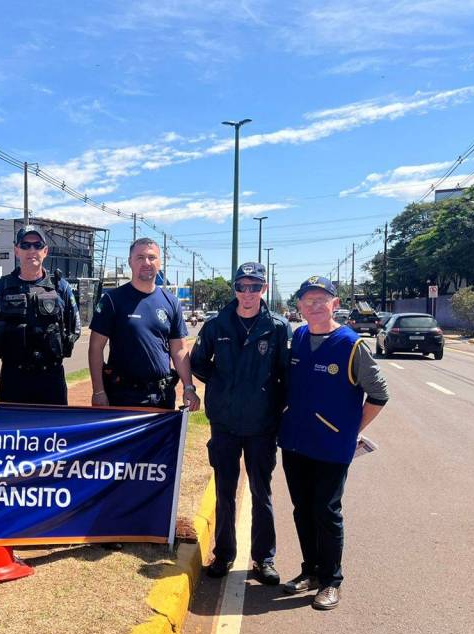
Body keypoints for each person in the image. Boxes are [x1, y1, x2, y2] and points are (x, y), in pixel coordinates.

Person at [279, 276, 389, 610]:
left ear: (335, 304)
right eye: (307, 300)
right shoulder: (299, 337)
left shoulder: (351, 345)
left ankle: (331, 581)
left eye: (321, 300)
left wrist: (351, 430)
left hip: (331, 447)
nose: (314, 306)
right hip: (295, 442)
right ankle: (310, 571)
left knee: (326, 511)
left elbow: (379, 394)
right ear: (299, 306)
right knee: (302, 509)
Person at [189, 262, 290, 585]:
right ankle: (224, 553)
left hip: (262, 425)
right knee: (225, 491)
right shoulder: (216, 325)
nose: (247, 293)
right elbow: (198, 362)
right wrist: (222, 387)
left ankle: (264, 558)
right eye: (242, 287)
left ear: (264, 289)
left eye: (254, 287)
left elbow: (287, 374)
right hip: (225, 423)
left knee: (262, 493)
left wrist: (273, 402)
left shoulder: (277, 327)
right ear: (235, 289)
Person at [89, 237, 200, 412]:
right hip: (123, 396)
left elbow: (179, 349)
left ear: (160, 263)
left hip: (161, 397)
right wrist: (98, 391)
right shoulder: (112, 300)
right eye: (140, 257)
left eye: (152, 257)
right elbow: (95, 348)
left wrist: (188, 387)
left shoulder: (171, 302)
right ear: (130, 262)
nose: (146, 262)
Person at [0, 224, 80, 405]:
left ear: (45, 251)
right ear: (16, 250)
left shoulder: (60, 286)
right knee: (13, 424)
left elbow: (74, 327)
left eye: (37, 245)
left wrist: (55, 346)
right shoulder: (2, 286)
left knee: (53, 424)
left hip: (51, 377)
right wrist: (12, 348)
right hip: (14, 377)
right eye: (25, 245)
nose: (32, 250)